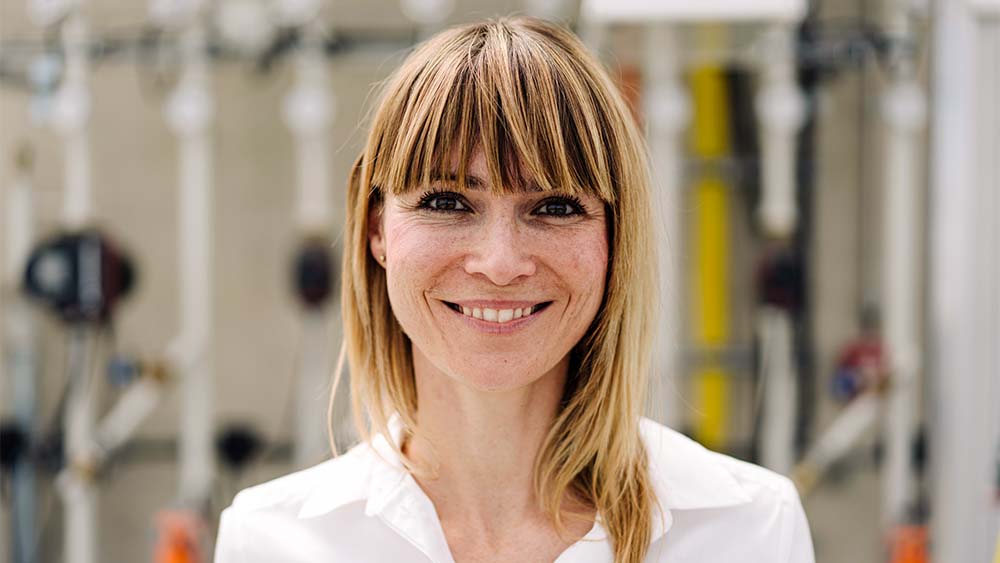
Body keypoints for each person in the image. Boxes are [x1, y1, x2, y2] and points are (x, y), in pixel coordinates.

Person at [214, 16, 815, 563]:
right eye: (447, 202)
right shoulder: (273, 541)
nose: (500, 263)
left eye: (553, 206)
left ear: (616, 237)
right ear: (377, 231)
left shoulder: (748, 529)